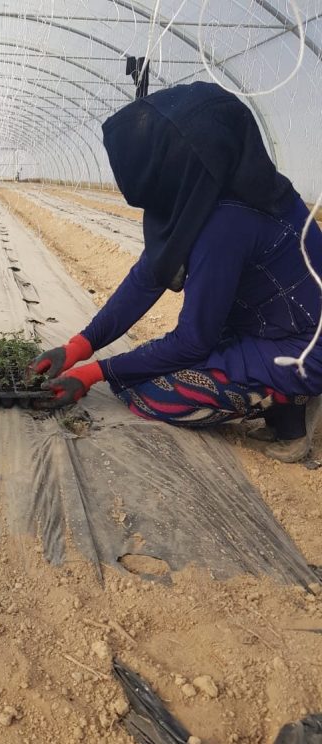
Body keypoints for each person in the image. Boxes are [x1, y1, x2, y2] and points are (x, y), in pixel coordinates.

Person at [31, 82, 322, 463]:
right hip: (267, 328)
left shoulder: (228, 223)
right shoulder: (225, 191)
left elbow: (192, 342)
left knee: (149, 393)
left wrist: (95, 373)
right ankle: (278, 394)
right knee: (139, 368)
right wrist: (77, 347)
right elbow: (148, 275)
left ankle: (288, 409)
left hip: (300, 349)